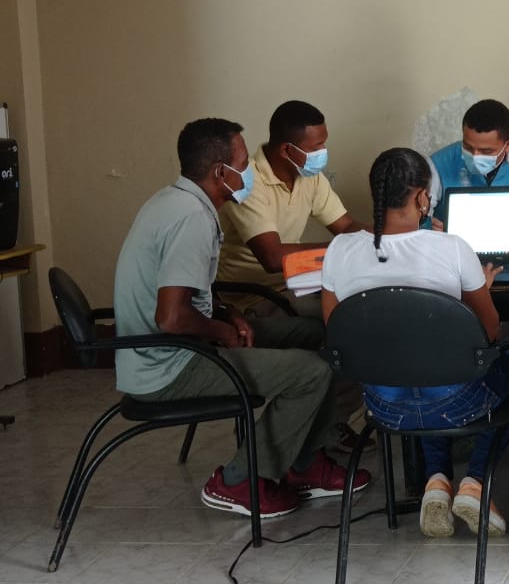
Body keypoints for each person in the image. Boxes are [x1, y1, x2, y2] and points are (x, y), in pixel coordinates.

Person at [113, 118, 367, 519]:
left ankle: (304, 461)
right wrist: (223, 332)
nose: (249, 171)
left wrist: (227, 313)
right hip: (168, 366)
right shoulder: (191, 217)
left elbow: (188, 292)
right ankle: (237, 480)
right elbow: (171, 317)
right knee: (312, 372)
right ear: (221, 172)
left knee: (320, 332)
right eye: (244, 163)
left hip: (178, 347)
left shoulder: (176, 201)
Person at [320, 147, 509, 538]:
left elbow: (337, 334)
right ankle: (475, 483)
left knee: (418, 366)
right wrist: (478, 289)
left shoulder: (339, 250)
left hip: (383, 408)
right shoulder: (451, 247)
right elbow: (488, 333)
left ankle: (436, 480)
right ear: (422, 198)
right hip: (456, 404)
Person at [217, 100, 365, 320]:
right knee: (345, 320)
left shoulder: (309, 177)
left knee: (362, 306)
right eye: (316, 147)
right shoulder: (247, 182)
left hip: (296, 285)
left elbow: (346, 225)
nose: (323, 152)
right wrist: (346, 248)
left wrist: (381, 237)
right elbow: (272, 257)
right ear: (286, 150)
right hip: (252, 298)